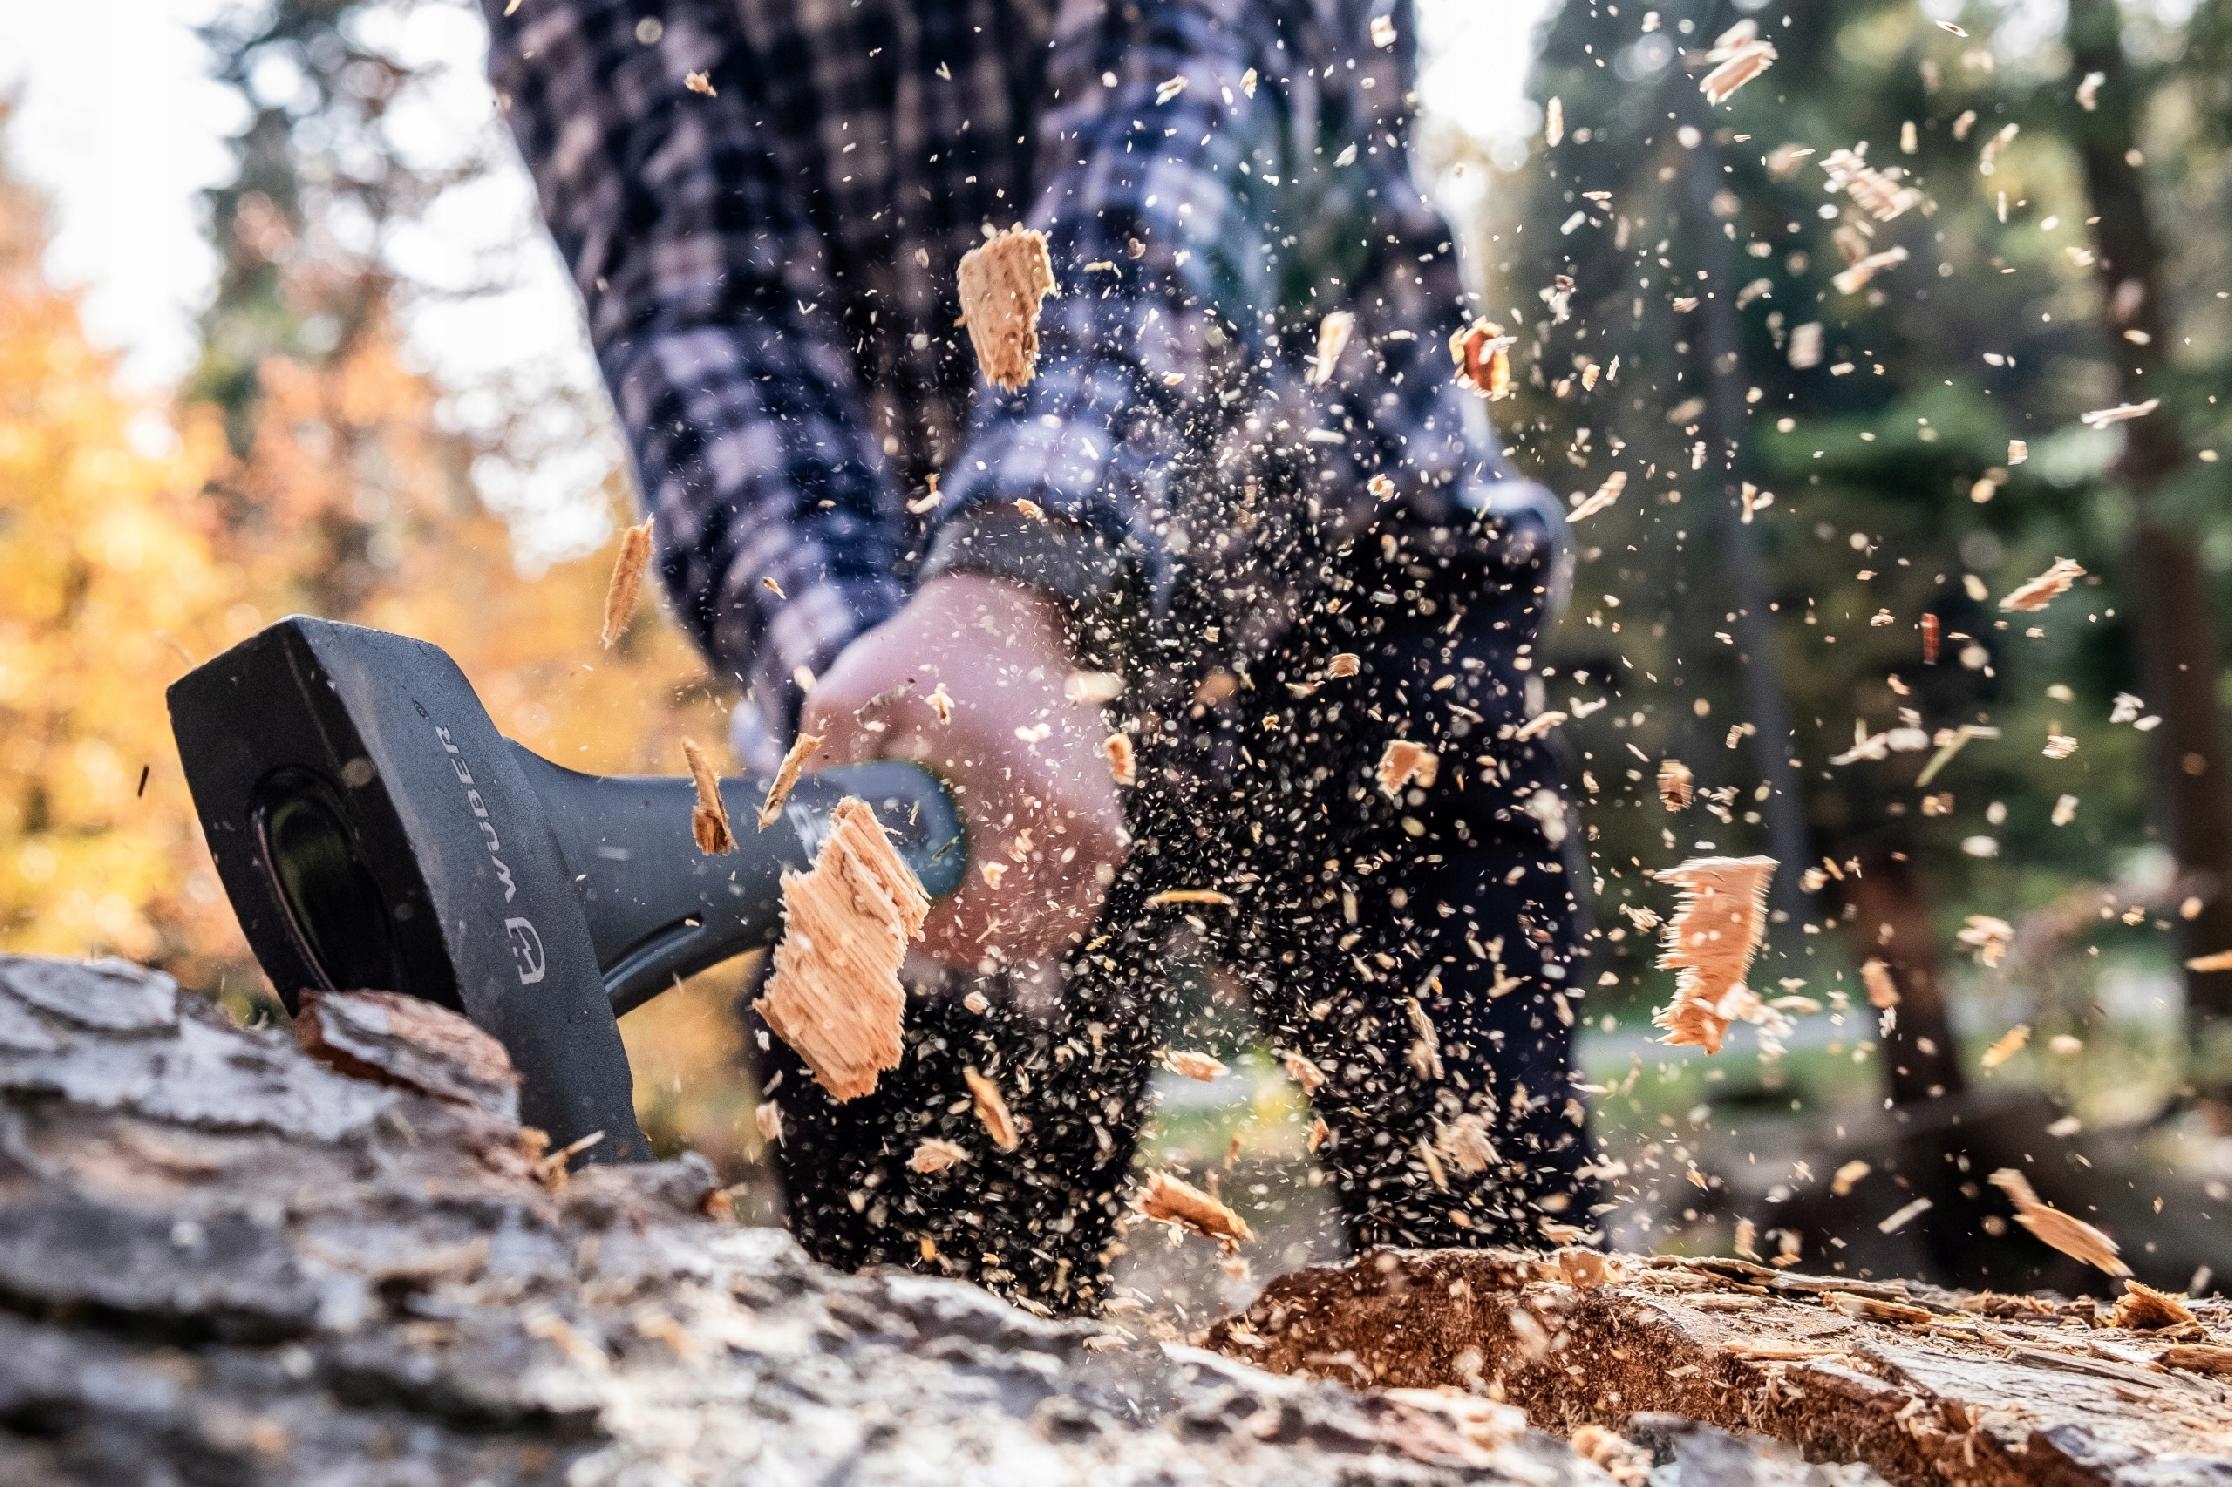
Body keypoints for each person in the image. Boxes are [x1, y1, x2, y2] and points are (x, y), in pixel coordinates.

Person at [481, 0, 1596, 1313]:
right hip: (914, 638)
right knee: (927, 1322)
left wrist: (1029, 557)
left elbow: (1192, 92)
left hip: (1348, 590)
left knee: (1499, 1263)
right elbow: (699, 311)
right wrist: (875, 689)